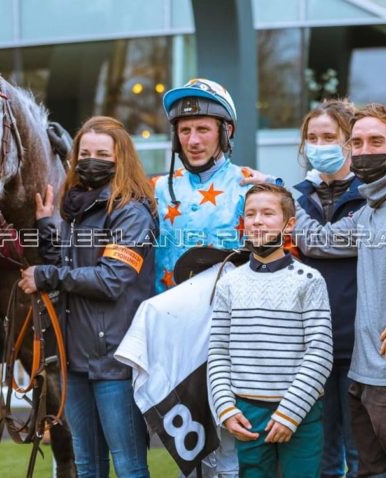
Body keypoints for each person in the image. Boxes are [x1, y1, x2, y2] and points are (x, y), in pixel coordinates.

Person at [292, 104, 386, 477]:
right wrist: (281, 194)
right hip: (364, 371)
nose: (364, 150)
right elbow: (316, 239)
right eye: (356, 142)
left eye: (376, 141)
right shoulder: (372, 207)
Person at [151, 77, 279, 477]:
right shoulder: (155, 190)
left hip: (238, 337)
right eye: (184, 130)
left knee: (233, 448)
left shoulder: (254, 187)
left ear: (225, 133)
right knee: (192, 453)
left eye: (203, 129)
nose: (192, 139)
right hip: (176, 337)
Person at [19, 115, 157, 478]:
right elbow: (67, 266)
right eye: (85, 152)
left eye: (102, 153)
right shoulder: (77, 209)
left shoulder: (132, 212)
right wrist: (48, 226)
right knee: (86, 465)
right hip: (74, 359)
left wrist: (46, 275)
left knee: (128, 466)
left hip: (116, 360)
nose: (91, 160)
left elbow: (112, 279)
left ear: (120, 158)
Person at [208, 183, 333, 477]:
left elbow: (320, 352)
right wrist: (226, 408)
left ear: (289, 224)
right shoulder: (229, 283)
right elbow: (217, 351)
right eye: (250, 214)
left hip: (301, 412)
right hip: (247, 411)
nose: (257, 220)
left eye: (267, 213)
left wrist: (291, 412)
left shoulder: (309, 280)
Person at [293, 99, 362, 478]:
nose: (319, 144)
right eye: (312, 137)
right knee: (321, 459)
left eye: (328, 136)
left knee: (361, 454)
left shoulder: (372, 196)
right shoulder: (299, 195)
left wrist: (287, 205)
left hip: (360, 347)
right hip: (310, 347)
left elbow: (327, 242)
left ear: (350, 142)